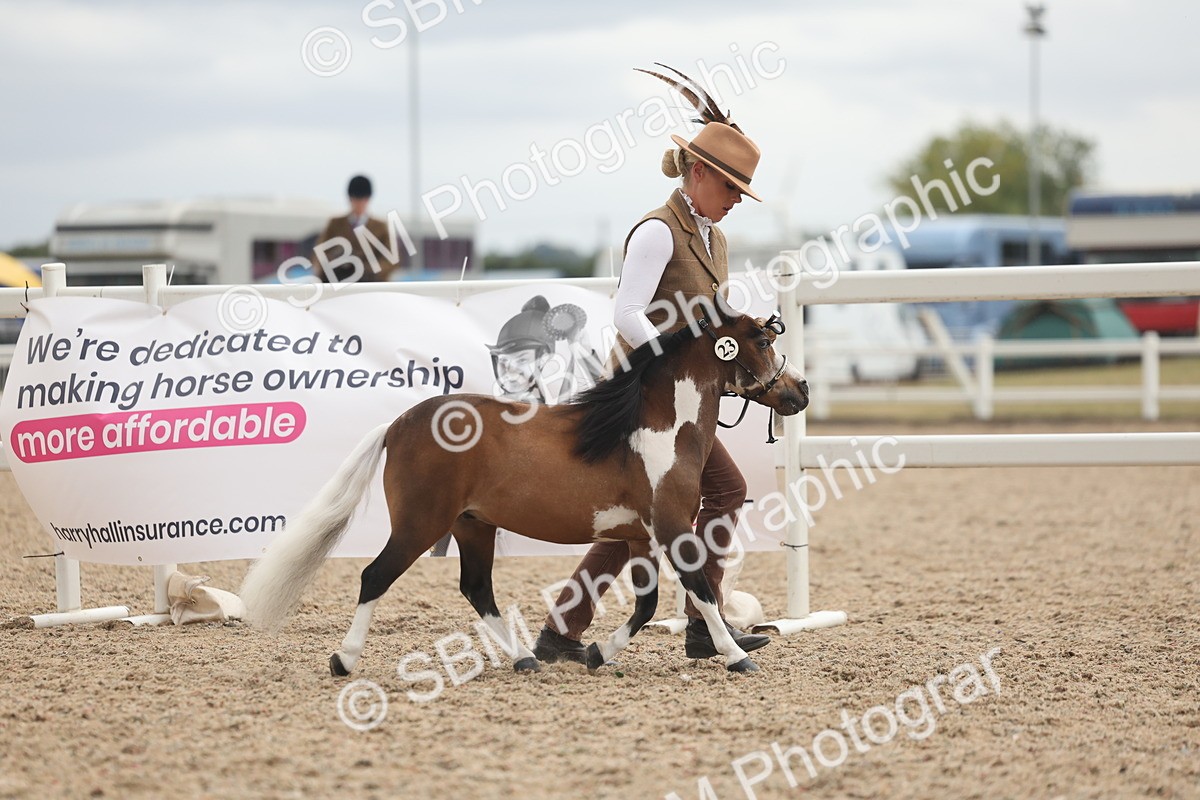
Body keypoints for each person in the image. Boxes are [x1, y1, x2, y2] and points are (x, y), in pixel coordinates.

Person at [533, 67, 771, 664]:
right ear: (698, 174)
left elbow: (709, 316)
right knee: (702, 496)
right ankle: (695, 621)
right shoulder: (657, 233)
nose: (736, 199)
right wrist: (670, 354)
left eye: (741, 190)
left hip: (684, 400)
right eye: (731, 187)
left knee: (660, 509)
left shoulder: (713, 238)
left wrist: (738, 337)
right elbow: (626, 313)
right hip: (646, 397)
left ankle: (567, 631)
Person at [314, 174, 401, 283]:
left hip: (369, 284)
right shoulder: (335, 224)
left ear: (368, 199)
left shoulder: (380, 227)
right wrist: (334, 261)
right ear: (350, 199)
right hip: (338, 281)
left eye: (362, 200)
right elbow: (320, 253)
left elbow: (391, 261)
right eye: (356, 199)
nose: (359, 204)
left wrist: (370, 270)